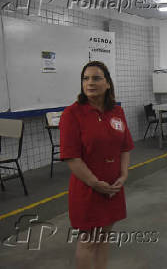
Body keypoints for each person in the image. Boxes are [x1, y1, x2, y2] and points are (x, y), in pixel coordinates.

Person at [60, 61, 134, 269]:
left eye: (96, 78)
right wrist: (95, 183)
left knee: (104, 237)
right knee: (89, 241)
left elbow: (124, 148)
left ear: (108, 83)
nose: (89, 83)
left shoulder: (117, 112)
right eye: (85, 78)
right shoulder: (72, 114)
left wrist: (124, 175)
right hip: (88, 189)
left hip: (113, 188)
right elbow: (72, 158)